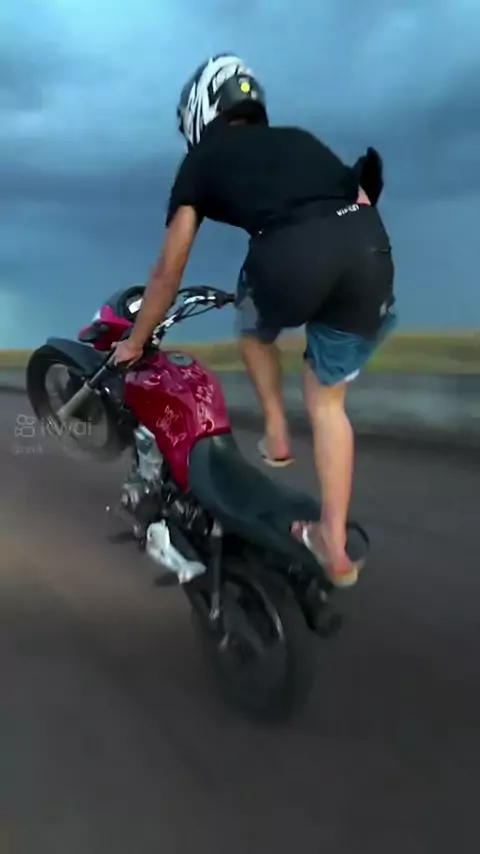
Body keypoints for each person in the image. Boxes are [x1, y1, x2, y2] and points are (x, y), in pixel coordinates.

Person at [113, 52, 397, 587]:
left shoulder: (201, 160)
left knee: (250, 320)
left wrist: (136, 340)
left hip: (293, 253)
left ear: (200, 112)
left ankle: (276, 430)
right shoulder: (300, 139)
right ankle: (332, 543)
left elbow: (170, 267)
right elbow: (362, 196)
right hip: (369, 252)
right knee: (328, 403)